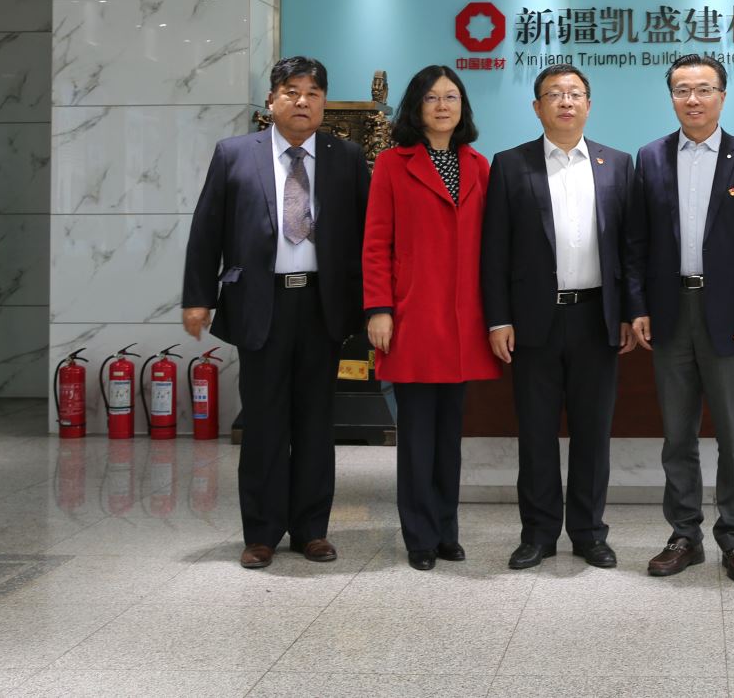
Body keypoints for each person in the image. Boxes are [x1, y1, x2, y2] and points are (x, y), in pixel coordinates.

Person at [182, 56, 369, 569]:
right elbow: (206, 230)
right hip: (260, 303)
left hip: (322, 305)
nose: (302, 101)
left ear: (324, 103)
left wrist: (372, 303)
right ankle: (261, 533)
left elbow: (368, 236)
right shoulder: (234, 154)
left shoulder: (346, 157)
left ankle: (312, 530)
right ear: (271, 100)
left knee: (315, 422)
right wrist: (198, 297)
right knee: (264, 422)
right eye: (291, 91)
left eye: (313, 93)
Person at [626, 54, 734, 583]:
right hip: (670, 312)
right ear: (671, 96)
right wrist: (637, 305)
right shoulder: (650, 157)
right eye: (682, 90)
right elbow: (636, 243)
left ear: (722, 95)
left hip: (731, 318)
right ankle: (684, 535)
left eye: (703, 89)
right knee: (677, 435)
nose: (692, 99)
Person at [481, 63, 635, 571]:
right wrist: (499, 319)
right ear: (537, 107)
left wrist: (630, 313)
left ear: (588, 104)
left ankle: (589, 533)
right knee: (536, 433)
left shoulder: (618, 164)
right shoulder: (510, 164)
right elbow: (495, 250)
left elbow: (630, 248)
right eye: (554, 94)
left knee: (593, 433)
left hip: (596, 318)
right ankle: (538, 534)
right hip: (534, 321)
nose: (566, 102)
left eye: (575, 94)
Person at [362, 64, 500, 570]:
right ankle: (419, 537)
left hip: (463, 321)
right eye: (432, 98)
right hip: (414, 316)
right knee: (417, 436)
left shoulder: (479, 166)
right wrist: (379, 308)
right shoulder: (392, 165)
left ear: (463, 106)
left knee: (449, 437)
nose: (443, 106)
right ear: (416, 107)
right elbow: (375, 243)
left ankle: (446, 531)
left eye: (451, 97)